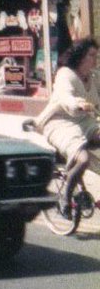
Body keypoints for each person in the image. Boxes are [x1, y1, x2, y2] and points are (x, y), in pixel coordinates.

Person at [34, 37, 100, 214]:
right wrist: (77, 104)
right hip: (60, 122)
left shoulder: (94, 76)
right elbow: (65, 96)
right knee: (83, 159)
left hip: (84, 121)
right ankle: (65, 196)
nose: (95, 59)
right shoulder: (65, 74)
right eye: (92, 55)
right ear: (80, 57)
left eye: (97, 55)